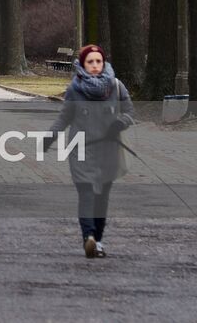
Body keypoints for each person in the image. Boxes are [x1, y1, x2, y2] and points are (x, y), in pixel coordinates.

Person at [46, 43, 134, 258]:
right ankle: (89, 238)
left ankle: (99, 241)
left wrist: (120, 122)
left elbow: (130, 112)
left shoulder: (116, 86)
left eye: (98, 61)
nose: (95, 65)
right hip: (81, 150)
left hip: (108, 151)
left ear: (104, 63)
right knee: (86, 195)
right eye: (90, 62)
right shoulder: (75, 89)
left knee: (102, 198)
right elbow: (64, 117)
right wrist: (50, 135)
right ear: (83, 64)